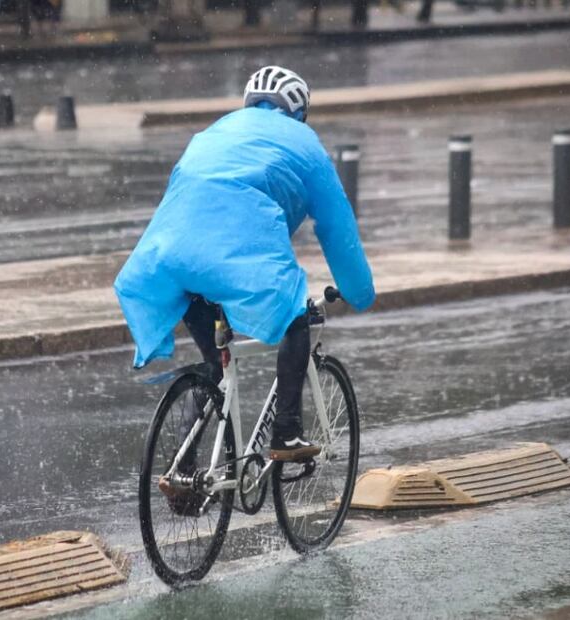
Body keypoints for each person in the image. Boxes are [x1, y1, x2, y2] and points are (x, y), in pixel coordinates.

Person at [114, 66, 375, 462]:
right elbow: (338, 230)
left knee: (213, 369)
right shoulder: (304, 142)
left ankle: (182, 470)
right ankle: (286, 433)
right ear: (300, 110)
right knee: (294, 315)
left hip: (170, 255)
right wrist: (359, 293)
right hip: (233, 249)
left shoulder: (215, 131)